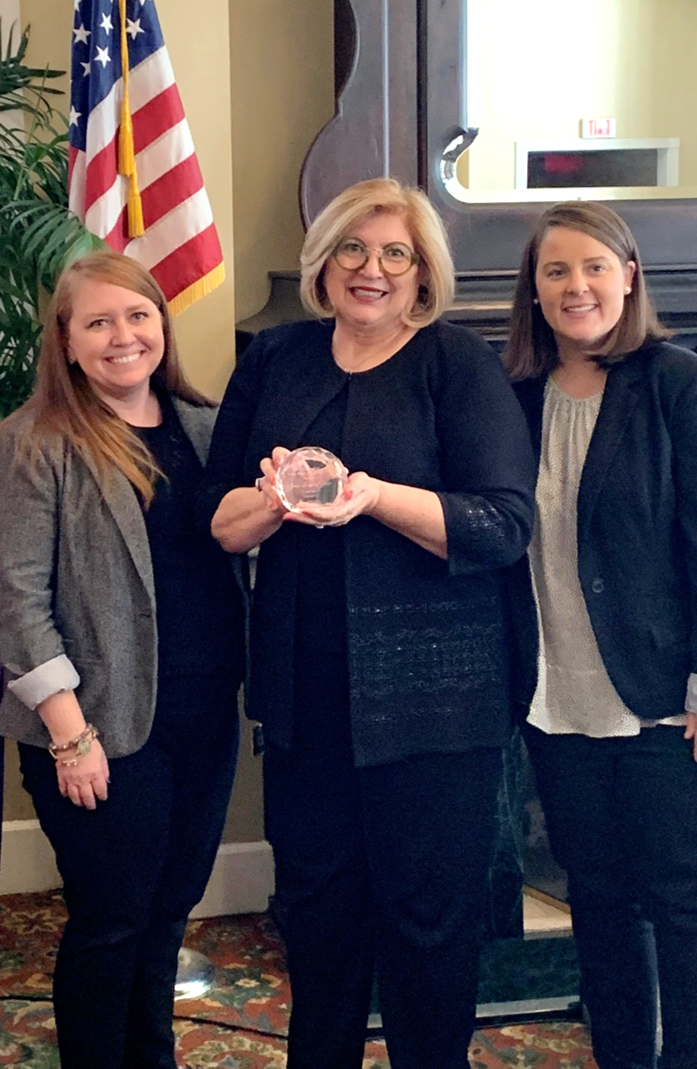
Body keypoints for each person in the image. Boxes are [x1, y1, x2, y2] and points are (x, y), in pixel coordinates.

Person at [197, 177, 535, 1069]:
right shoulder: (276, 358)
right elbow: (216, 513)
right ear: (323, 260)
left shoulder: (454, 364)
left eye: (396, 253)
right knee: (317, 915)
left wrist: (373, 496)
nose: (371, 269)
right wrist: (272, 503)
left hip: (433, 704)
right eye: (353, 247)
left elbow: (502, 523)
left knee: (428, 929)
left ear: (423, 272)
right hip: (305, 698)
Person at [0, 251, 245, 1069]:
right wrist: (69, 734)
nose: (122, 336)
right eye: (97, 321)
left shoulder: (208, 427)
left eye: (137, 315)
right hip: (98, 722)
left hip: (203, 711)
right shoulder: (35, 442)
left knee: (171, 909)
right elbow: (16, 600)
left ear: (161, 327)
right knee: (112, 919)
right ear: (66, 341)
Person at [504, 200, 697, 1069]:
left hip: (661, 697)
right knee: (599, 899)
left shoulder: (676, 384)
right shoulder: (510, 398)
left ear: (627, 274)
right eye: (555, 271)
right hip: (555, 700)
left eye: (592, 266)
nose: (575, 285)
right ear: (534, 291)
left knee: (681, 901)